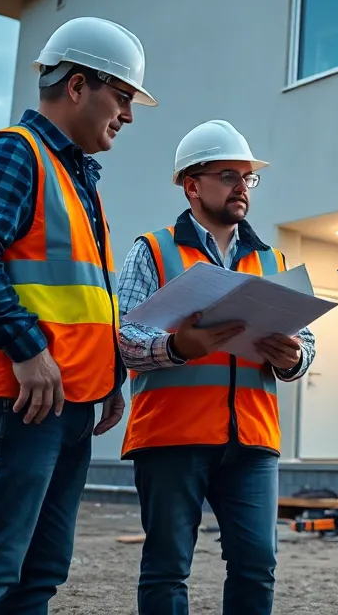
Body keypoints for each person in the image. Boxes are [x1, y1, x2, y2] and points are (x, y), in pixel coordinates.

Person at [0, 16, 157, 613]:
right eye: (123, 96)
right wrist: (27, 350)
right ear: (78, 86)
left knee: (38, 573)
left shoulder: (79, 180)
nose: (128, 115)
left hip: (64, 403)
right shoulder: (15, 154)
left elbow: (82, 299)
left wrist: (108, 380)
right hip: (12, 398)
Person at [115, 119, 317, 615]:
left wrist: (295, 357)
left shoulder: (272, 260)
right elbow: (121, 339)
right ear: (191, 185)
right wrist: (179, 346)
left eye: (247, 178)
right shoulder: (153, 250)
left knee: (256, 566)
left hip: (251, 441)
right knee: (166, 567)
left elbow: (305, 340)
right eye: (228, 175)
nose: (241, 187)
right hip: (171, 437)